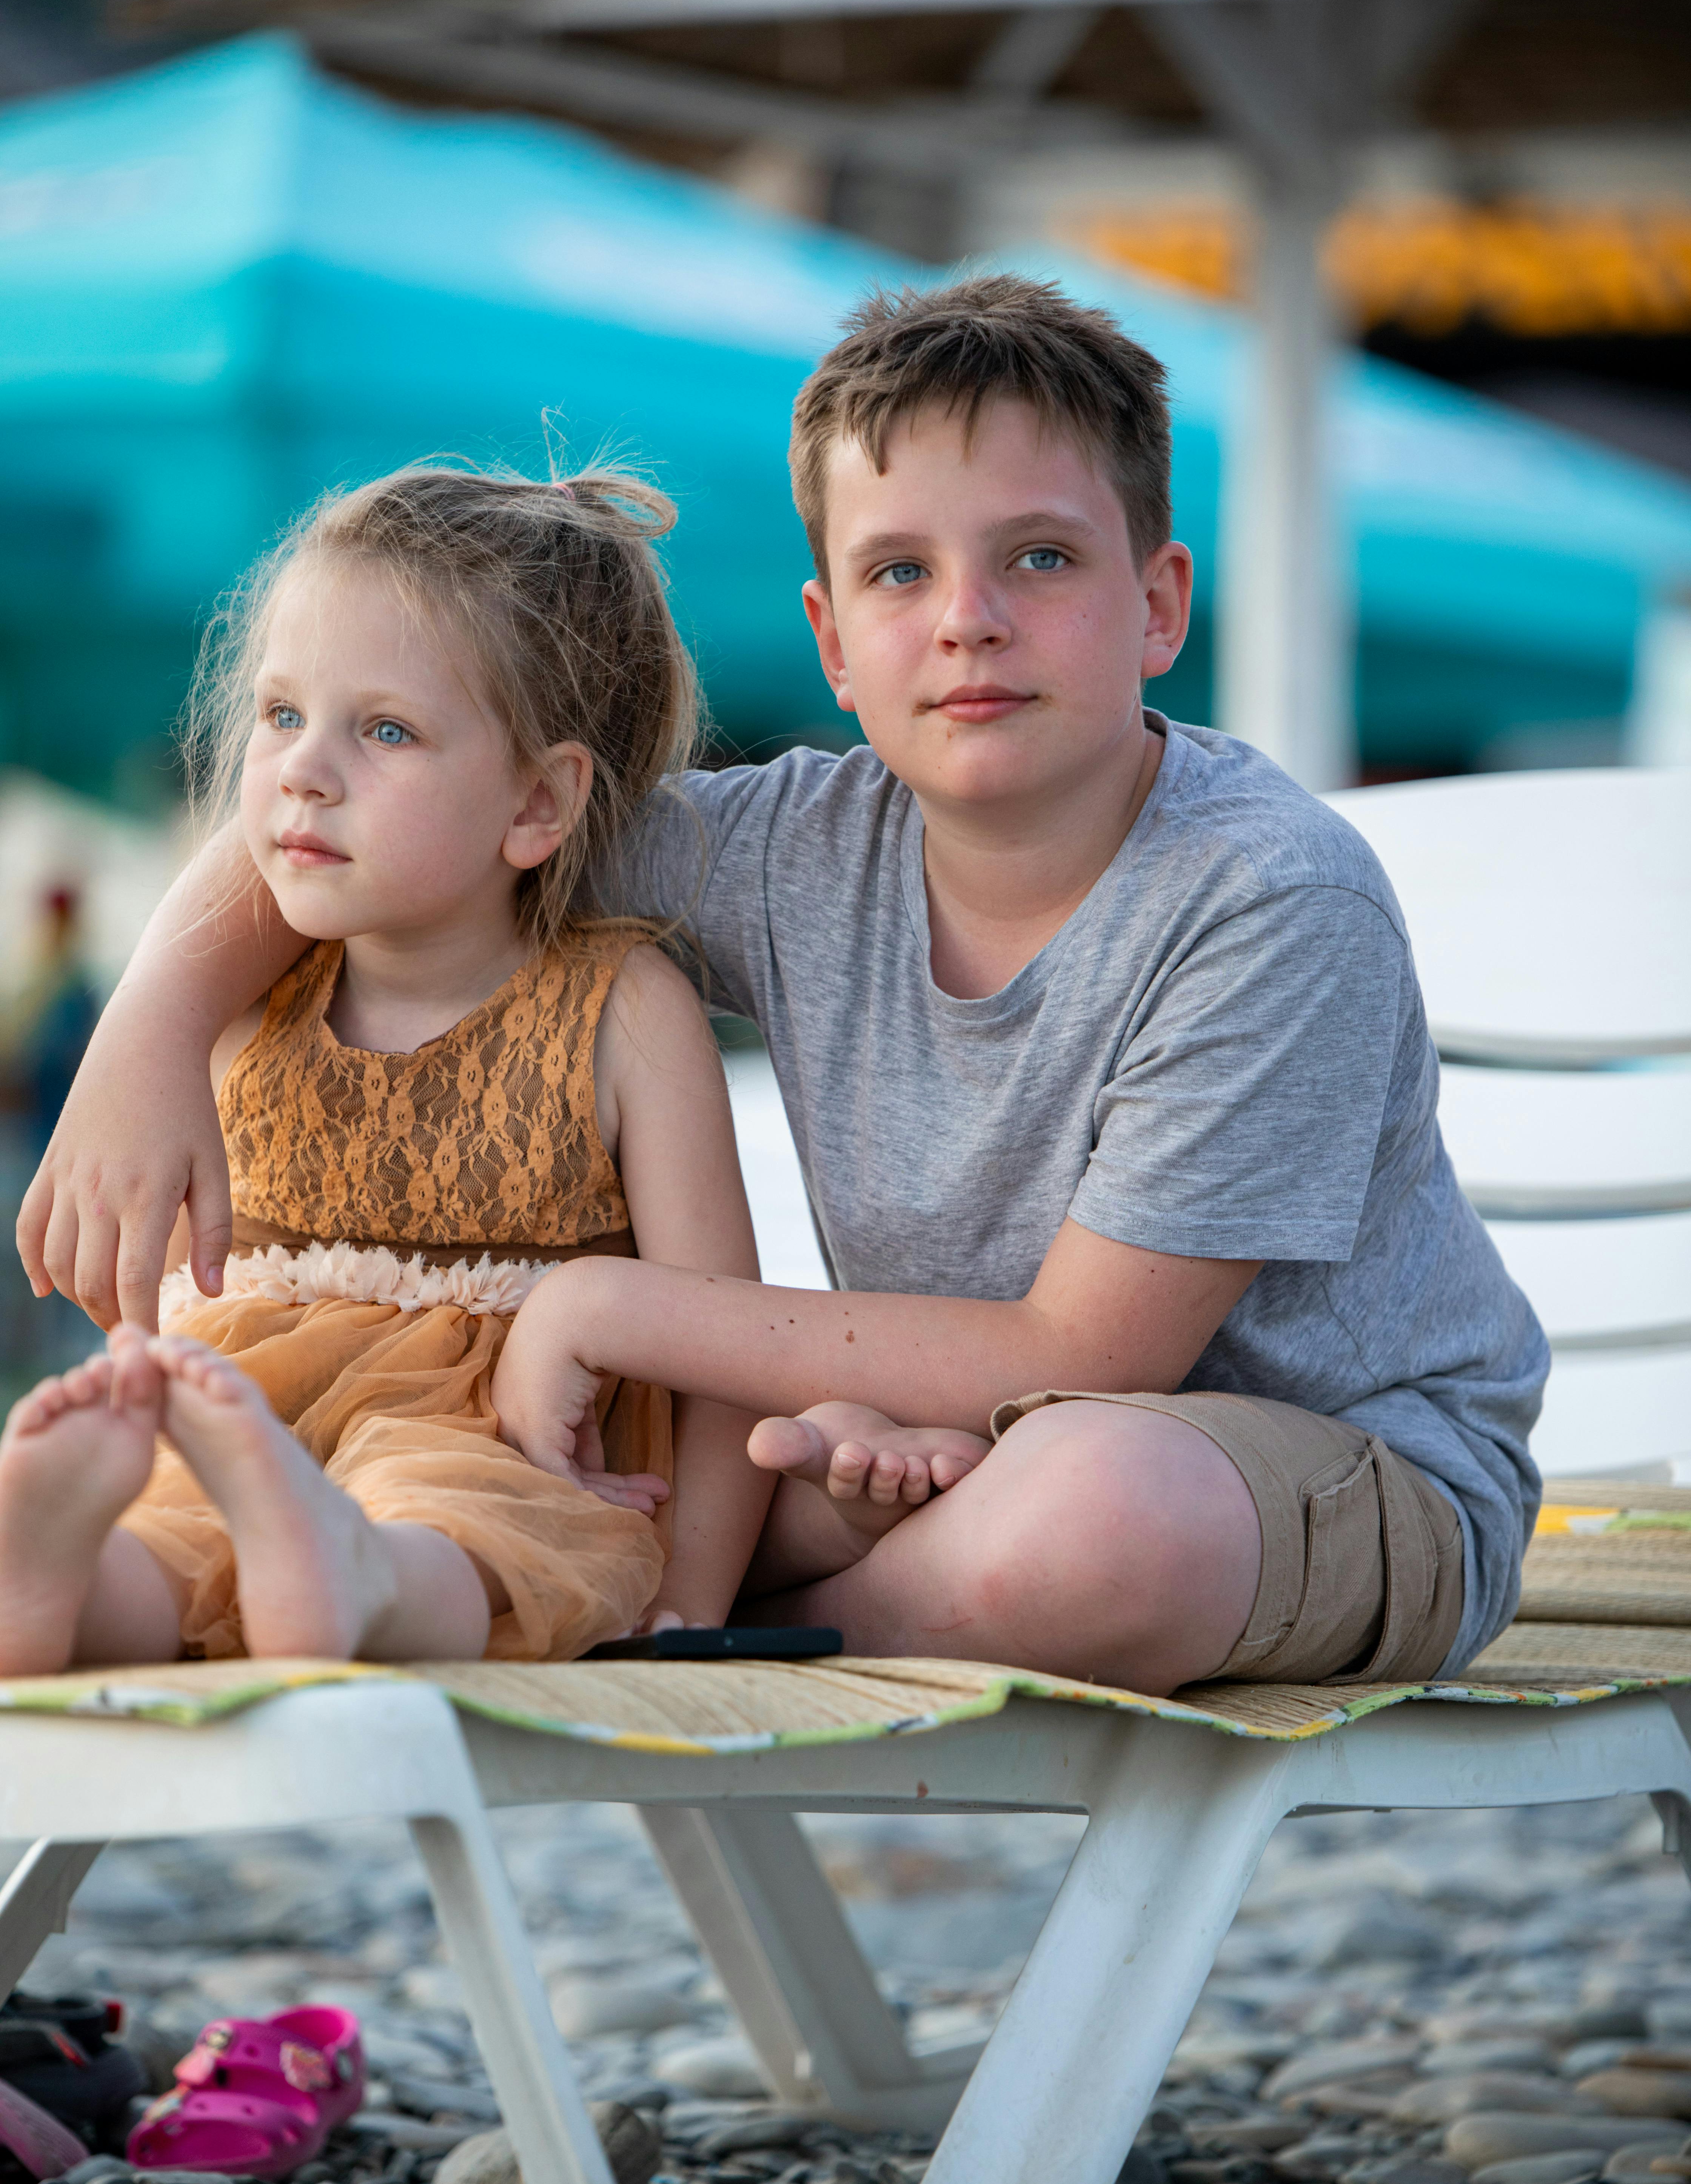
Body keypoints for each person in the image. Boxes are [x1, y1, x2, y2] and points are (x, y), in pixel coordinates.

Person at [20, 277, 1549, 1698]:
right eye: (900, 570)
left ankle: (694, 1641)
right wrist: (145, 1038)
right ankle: (579, 1588)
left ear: (1158, 605)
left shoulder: (1263, 899)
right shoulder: (795, 848)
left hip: (1332, 1476)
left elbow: (1090, 1363)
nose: (967, 618)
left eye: (1040, 557)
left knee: (1089, 1510)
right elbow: (391, 820)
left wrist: (605, 1302)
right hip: (932, 1445)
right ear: (828, 638)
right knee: (694, 1466)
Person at [0, 465, 770, 1675]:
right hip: (245, 1411)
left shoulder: (623, 1013)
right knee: (174, 1542)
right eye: (281, 715)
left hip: (498, 1438)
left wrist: (697, 1597)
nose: (305, 770)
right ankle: (62, 1580)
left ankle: (345, 1570)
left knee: (457, 1523)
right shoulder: (242, 985)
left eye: (387, 730)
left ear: (538, 801)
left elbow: (725, 1349)